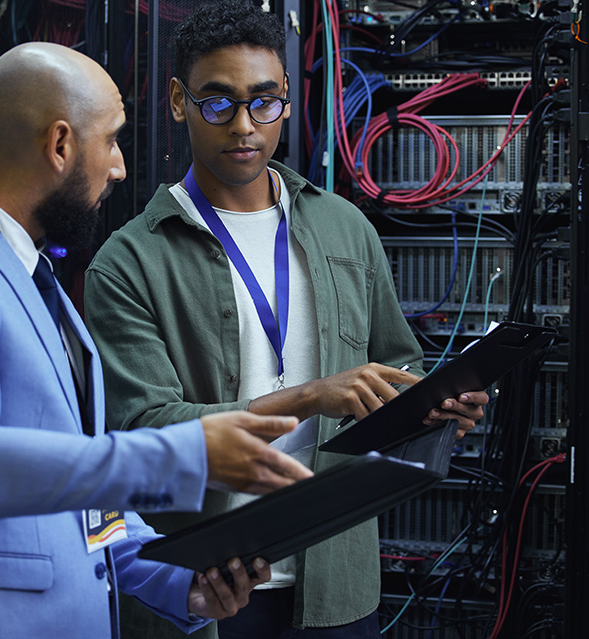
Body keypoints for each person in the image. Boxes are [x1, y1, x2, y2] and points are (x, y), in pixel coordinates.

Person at [0, 41, 315, 639]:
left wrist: (182, 583)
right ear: (61, 145)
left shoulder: (37, 279)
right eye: (112, 140)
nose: (121, 166)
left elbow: (86, 511)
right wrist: (189, 453)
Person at [83, 2, 489, 638]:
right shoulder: (129, 261)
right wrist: (306, 398)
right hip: (206, 589)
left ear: (288, 103)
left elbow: (395, 362)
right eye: (217, 103)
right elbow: (142, 433)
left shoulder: (343, 227)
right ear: (177, 101)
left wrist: (430, 406)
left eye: (264, 102)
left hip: (337, 583)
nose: (244, 126)